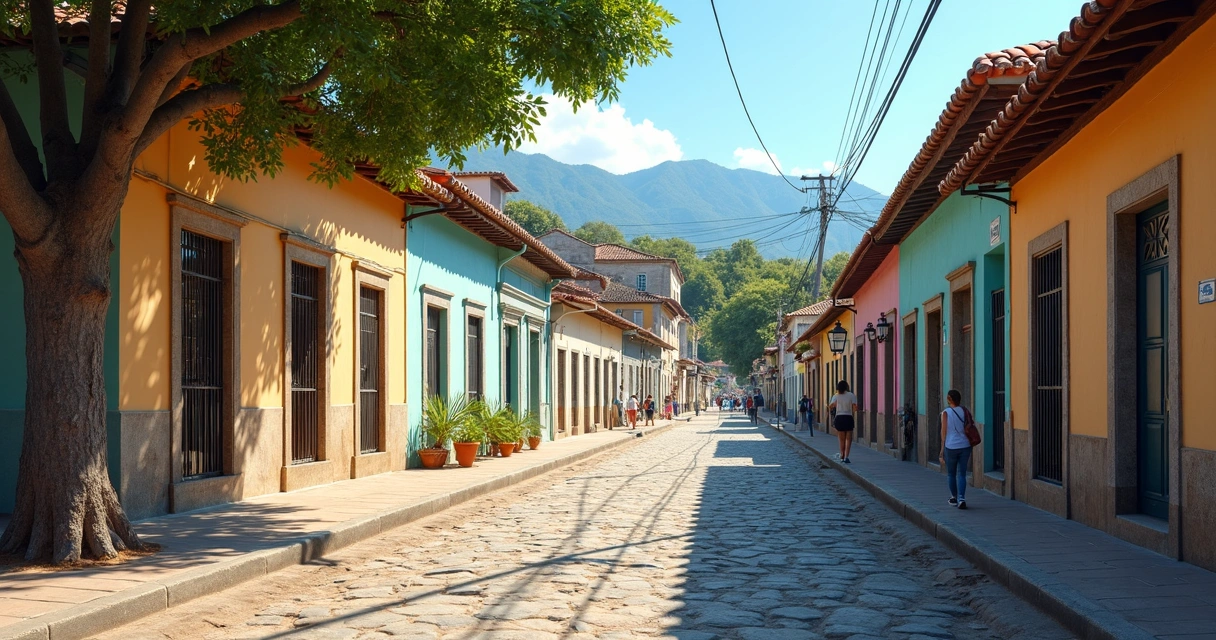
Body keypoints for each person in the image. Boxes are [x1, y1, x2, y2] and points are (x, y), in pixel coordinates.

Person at [940, 389, 974, 509]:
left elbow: (943, 432)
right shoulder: (964, 410)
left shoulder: (945, 413)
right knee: (962, 474)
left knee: (951, 474)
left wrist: (941, 450)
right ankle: (962, 498)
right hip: (965, 445)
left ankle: (954, 497)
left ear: (949, 399)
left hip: (951, 446)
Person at [829, 381, 858, 463]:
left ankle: (842, 455)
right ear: (846, 387)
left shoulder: (836, 396)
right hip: (848, 417)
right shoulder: (851, 395)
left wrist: (834, 405)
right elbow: (855, 408)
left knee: (841, 439)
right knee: (848, 439)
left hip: (839, 417)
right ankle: (846, 457)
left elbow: (830, 407)